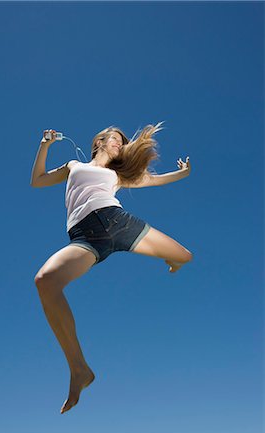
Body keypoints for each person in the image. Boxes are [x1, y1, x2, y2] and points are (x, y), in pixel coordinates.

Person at [30, 123, 193, 414]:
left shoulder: (118, 176)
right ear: (99, 142)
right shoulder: (74, 165)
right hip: (87, 237)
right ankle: (79, 369)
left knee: (184, 256)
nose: (120, 145)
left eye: (122, 142)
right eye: (116, 140)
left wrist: (184, 173)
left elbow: (155, 180)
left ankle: (172, 261)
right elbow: (38, 181)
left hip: (118, 223)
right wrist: (45, 145)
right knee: (45, 281)